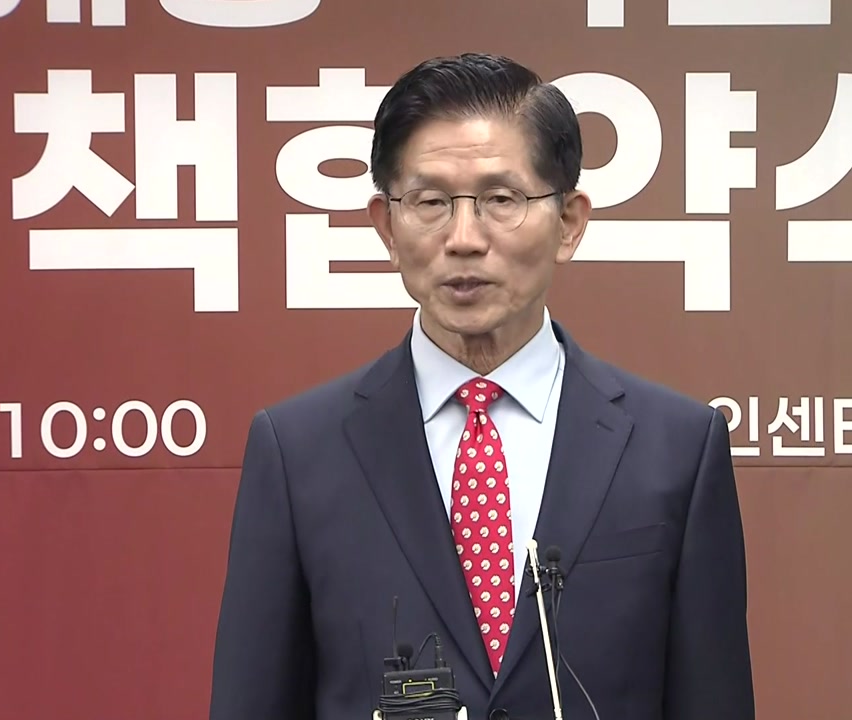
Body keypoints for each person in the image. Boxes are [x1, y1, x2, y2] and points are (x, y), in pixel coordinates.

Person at [208, 52, 755, 720]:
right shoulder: (298, 452)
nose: (464, 239)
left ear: (569, 222)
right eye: (430, 202)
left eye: (501, 200)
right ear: (386, 225)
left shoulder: (677, 449)